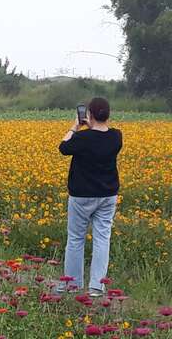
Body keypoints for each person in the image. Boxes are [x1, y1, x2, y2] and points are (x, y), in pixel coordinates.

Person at [58, 97, 122, 297]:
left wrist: (75, 126)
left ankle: (73, 285)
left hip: (82, 196)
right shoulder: (116, 136)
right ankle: (96, 286)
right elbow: (103, 135)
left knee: (76, 239)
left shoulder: (82, 138)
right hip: (107, 195)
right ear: (108, 115)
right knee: (103, 238)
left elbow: (63, 147)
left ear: (90, 115)